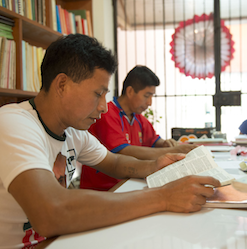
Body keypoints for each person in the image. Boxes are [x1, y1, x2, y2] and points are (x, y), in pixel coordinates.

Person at [0, 34, 221, 248]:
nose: (104, 107)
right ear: (62, 85)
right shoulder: (13, 124)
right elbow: (51, 211)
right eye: (98, 94)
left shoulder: (74, 132)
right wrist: (163, 197)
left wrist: (155, 165)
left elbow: (115, 163)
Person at [80, 65, 197, 191]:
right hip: (105, 190)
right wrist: (173, 152)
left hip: (130, 184)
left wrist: (166, 144)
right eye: (147, 96)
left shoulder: (139, 119)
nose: (150, 103)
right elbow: (124, 151)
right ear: (130, 91)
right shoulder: (107, 114)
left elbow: (155, 142)